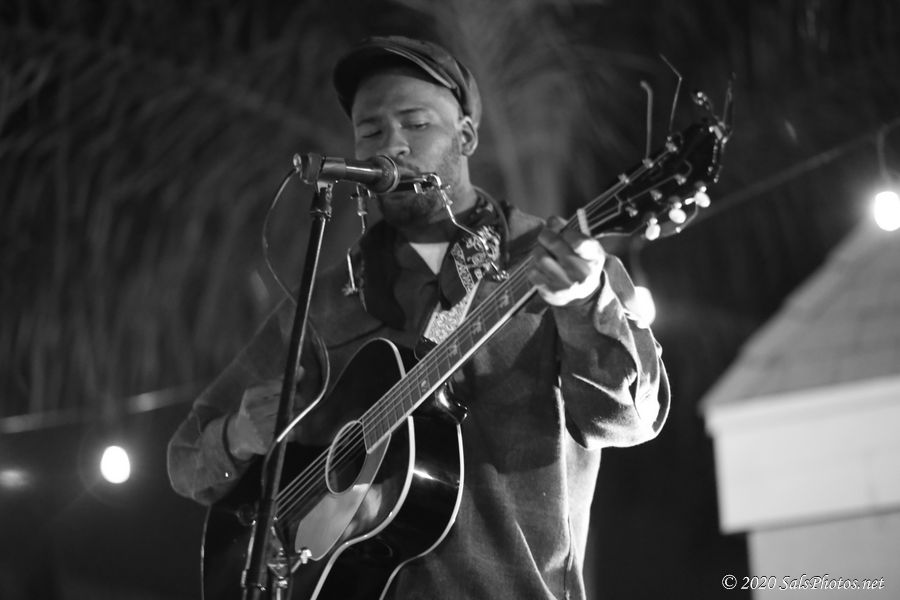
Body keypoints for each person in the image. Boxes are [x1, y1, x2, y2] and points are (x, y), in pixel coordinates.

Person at [168, 35, 670, 600]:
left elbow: (629, 420)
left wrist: (582, 303)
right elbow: (185, 459)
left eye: (416, 123)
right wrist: (236, 436)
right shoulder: (327, 300)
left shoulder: (556, 259)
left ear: (466, 136)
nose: (393, 145)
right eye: (371, 131)